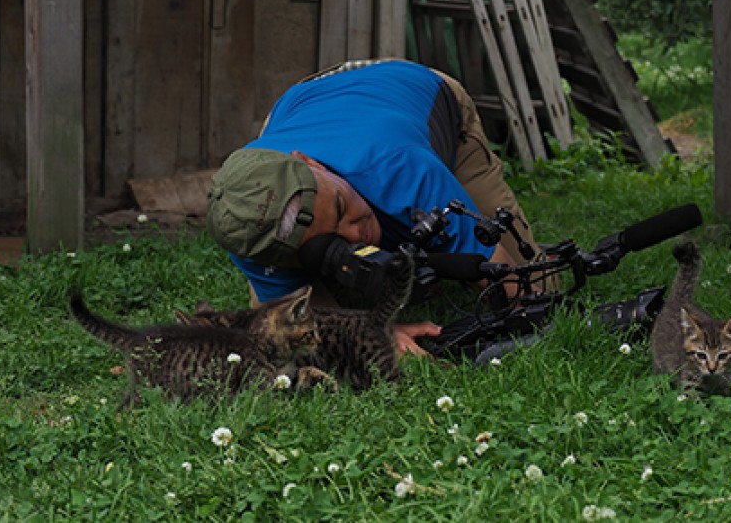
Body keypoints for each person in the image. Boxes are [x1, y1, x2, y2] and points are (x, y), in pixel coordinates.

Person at [205, 59, 552, 356]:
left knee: (540, 292)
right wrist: (378, 336)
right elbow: (310, 324)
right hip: (300, 107)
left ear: (311, 163)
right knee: (284, 328)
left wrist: (517, 309)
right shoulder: (248, 221)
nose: (359, 233)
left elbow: (511, 284)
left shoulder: (398, 166)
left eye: (342, 208)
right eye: (326, 242)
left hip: (415, 89)